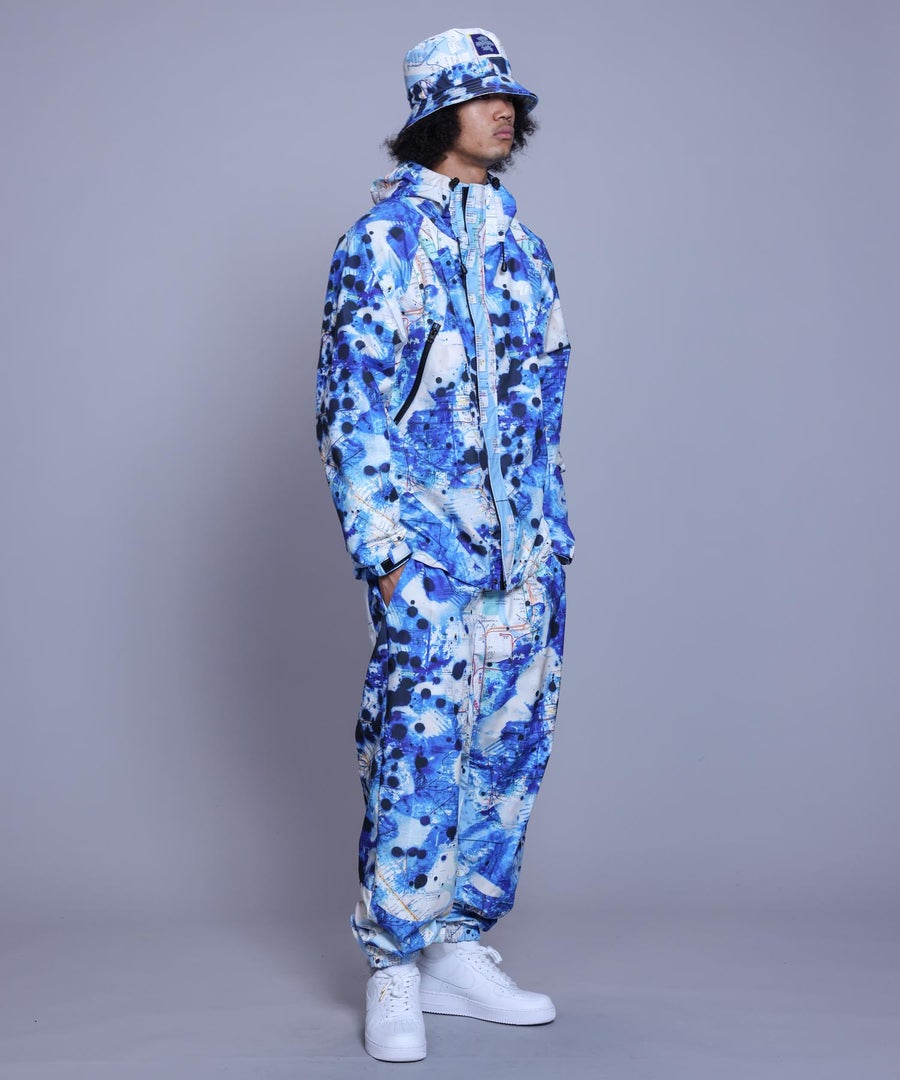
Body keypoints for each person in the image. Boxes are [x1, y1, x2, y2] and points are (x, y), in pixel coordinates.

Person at [315, 27, 575, 1063]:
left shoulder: (524, 247)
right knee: (417, 753)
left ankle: (459, 946)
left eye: (510, 99)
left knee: (508, 751)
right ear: (435, 113)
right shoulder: (379, 244)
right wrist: (386, 556)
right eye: (481, 98)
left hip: (527, 557)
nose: (504, 112)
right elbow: (350, 412)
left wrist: (552, 536)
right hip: (426, 557)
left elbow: (546, 408)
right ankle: (393, 960)